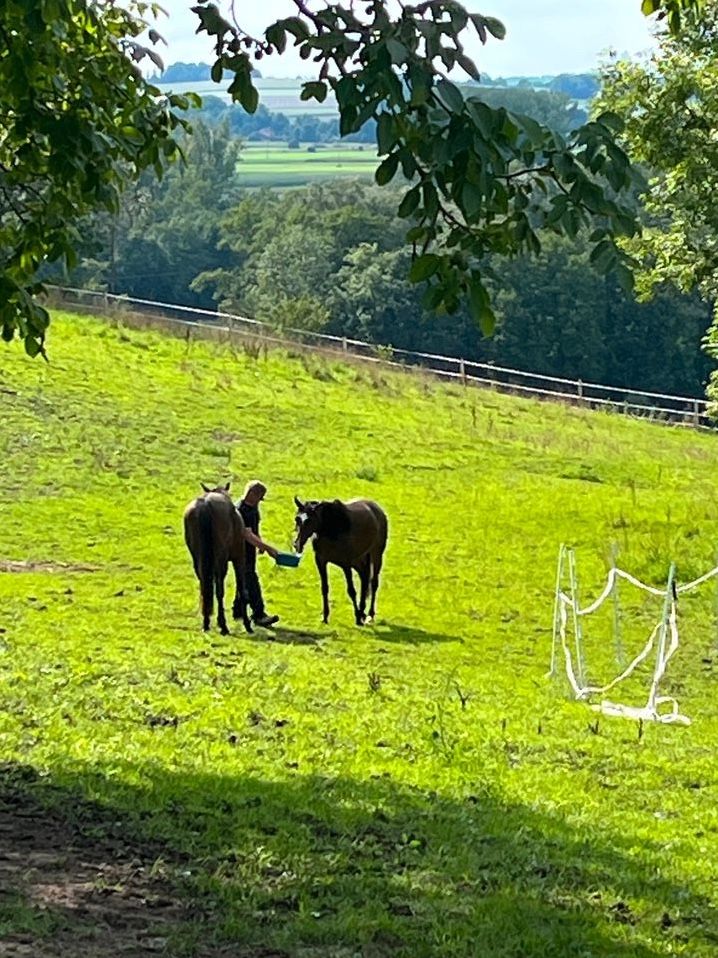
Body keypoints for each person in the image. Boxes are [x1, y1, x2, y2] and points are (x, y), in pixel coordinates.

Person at [236, 479, 280, 628]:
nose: (259, 502)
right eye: (259, 498)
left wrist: (259, 543)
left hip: (250, 549)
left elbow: (254, 530)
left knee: (244, 579)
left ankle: (238, 610)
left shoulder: (253, 509)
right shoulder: (240, 510)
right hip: (240, 551)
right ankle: (259, 614)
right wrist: (268, 548)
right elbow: (246, 534)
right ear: (251, 494)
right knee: (251, 579)